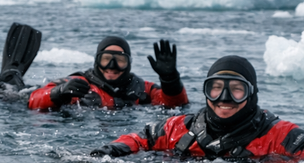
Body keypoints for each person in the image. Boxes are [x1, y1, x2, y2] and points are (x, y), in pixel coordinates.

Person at [90, 56, 304, 161]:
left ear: (252, 93)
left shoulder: (279, 135)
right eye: (215, 88)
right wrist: (112, 150)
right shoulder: (178, 128)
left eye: (236, 89)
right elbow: (140, 139)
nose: (224, 98)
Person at [27, 36, 189, 110]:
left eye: (120, 60)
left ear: (128, 63)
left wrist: (170, 79)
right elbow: (34, 99)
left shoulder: (143, 88)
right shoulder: (79, 83)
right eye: (106, 59)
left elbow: (174, 104)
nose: (112, 66)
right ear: (97, 61)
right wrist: (59, 93)